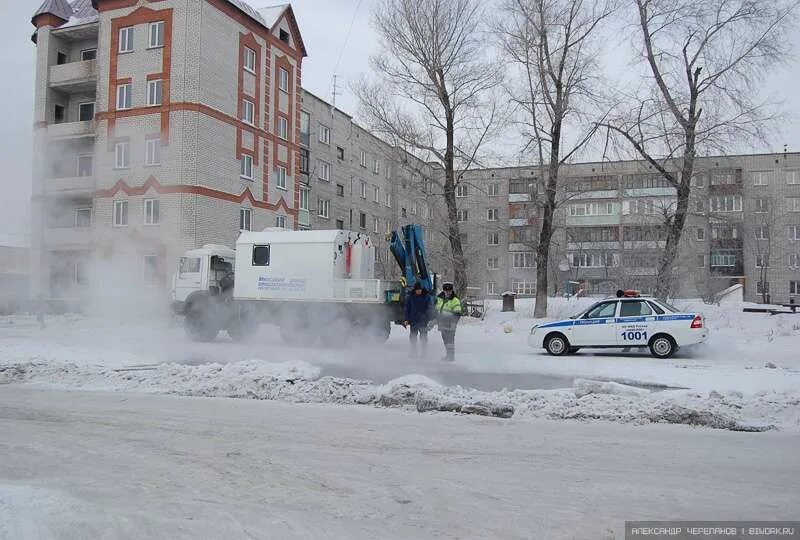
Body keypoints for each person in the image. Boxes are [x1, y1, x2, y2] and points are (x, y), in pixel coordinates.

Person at [403, 282, 433, 358]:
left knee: (423, 337)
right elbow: (407, 309)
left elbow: (430, 308)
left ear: (422, 289)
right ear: (415, 290)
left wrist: (429, 318)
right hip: (413, 320)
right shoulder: (410, 297)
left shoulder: (426, 297)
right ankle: (413, 352)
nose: (418, 291)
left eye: (419, 289)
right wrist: (406, 319)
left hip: (423, 321)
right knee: (413, 337)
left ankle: (424, 353)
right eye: (417, 290)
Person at [435, 283, 462, 362]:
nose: (448, 293)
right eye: (446, 291)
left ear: (451, 291)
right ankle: (448, 355)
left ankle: (451, 356)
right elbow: (436, 310)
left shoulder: (455, 300)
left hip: (451, 323)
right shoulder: (439, 299)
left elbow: (457, 313)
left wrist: (454, 323)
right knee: (445, 339)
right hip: (442, 323)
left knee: (450, 340)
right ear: (443, 291)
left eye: (449, 291)